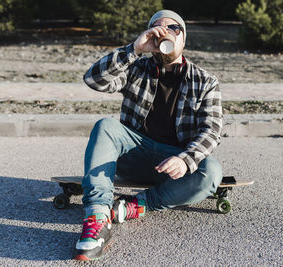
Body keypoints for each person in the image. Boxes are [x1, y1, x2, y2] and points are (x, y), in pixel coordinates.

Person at [74, 10, 223, 261]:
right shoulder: (136, 68)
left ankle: (138, 205)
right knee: (105, 126)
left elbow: (212, 129)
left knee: (211, 171)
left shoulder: (205, 81)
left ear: (183, 39)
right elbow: (93, 79)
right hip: (134, 155)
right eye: (157, 28)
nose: (165, 32)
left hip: (174, 163)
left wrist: (186, 159)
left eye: (173, 28)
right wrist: (134, 48)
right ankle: (98, 216)